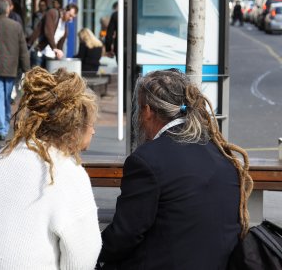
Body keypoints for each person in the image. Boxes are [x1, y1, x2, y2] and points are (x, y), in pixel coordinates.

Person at [97, 69, 253, 269]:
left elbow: (124, 236)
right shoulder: (221, 154)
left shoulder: (146, 161)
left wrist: (89, 251)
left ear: (147, 111)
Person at [0, 67, 101, 269]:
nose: (94, 131)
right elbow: (82, 256)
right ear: (75, 127)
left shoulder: (2, 158)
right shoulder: (68, 172)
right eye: (91, 124)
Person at [0, 0, 30, 141]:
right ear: (7, 9)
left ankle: (1, 128)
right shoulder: (16, 26)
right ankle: (4, 125)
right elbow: (23, 50)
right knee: (7, 98)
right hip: (12, 68)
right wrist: (27, 69)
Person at [29, 3, 78, 67]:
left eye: (73, 18)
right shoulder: (52, 13)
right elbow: (48, 32)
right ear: (65, 10)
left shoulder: (65, 27)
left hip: (51, 56)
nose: (70, 19)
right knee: (37, 75)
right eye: (70, 15)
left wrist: (58, 53)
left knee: (49, 76)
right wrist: (54, 48)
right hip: (39, 51)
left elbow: (60, 44)